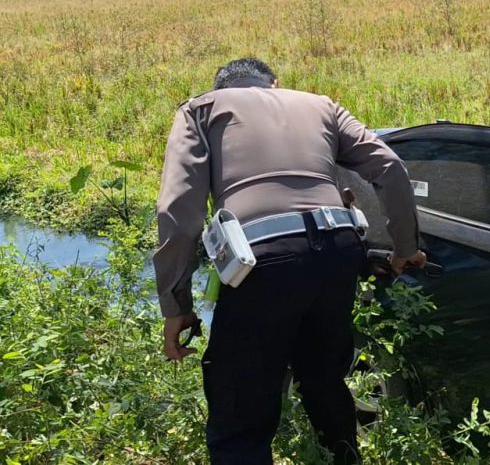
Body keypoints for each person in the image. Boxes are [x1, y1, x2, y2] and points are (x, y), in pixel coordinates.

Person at [154, 57, 425, 464]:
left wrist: (176, 305)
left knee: (240, 406)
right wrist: (406, 247)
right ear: (274, 85)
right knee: (323, 380)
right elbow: (389, 166)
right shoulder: (321, 104)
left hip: (263, 259)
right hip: (338, 250)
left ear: (220, 86)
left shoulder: (201, 108)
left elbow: (178, 212)